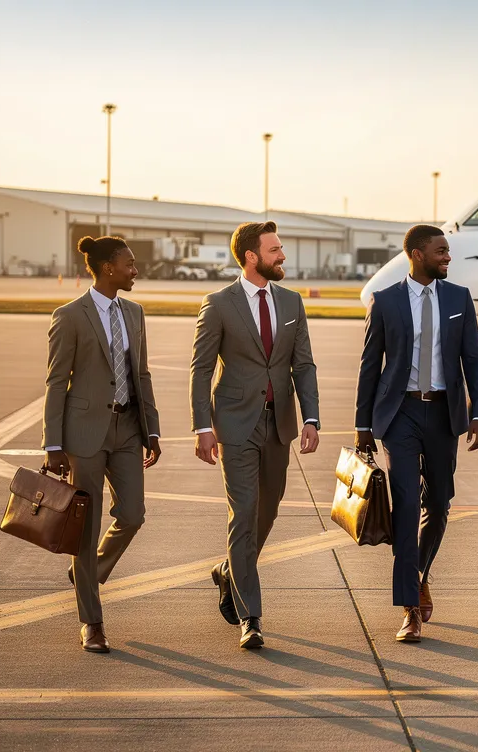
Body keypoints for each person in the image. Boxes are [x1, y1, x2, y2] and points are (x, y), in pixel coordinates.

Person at [190, 221, 321, 650]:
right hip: (235, 425)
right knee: (243, 514)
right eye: (275, 249)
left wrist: (311, 418)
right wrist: (203, 426)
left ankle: (229, 570)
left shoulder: (291, 302)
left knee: (268, 511)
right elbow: (202, 369)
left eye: (280, 248)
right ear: (250, 256)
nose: (282, 256)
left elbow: (303, 364)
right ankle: (252, 617)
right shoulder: (218, 304)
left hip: (278, 424)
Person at [356, 224, 478, 643]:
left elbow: (474, 359)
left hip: (444, 414)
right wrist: (363, 425)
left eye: (448, 252)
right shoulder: (386, 301)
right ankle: (409, 608)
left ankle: (418, 572)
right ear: (416, 254)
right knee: (408, 505)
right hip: (401, 413)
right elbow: (369, 366)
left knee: (439, 503)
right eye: (440, 251)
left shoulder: (458, 298)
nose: (447, 258)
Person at [43, 235, 162, 653]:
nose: (135, 270)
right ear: (108, 267)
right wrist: (52, 444)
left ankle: (87, 573)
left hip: (128, 428)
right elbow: (57, 382)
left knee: (132, 514)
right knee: (85, 528)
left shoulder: (134, 312)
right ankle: (91, 623)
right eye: (129, 264)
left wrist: (153, 429)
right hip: (85, 434)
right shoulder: (70, 316)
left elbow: (141, 374)